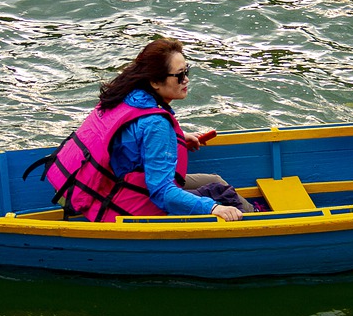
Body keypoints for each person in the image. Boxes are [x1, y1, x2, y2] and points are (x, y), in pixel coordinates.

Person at [39, 38, 252, 222]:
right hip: (125, 203)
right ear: (155, 81)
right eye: (179, 75)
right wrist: (213, 208)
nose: (186, 79)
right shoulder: (156, 125)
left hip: (103, 186)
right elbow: (163, 192)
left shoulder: (124, 97)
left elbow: (127, 140)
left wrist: (178, 137)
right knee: (222, 195)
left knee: (215, 180)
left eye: (187, 71)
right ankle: (256, 220)